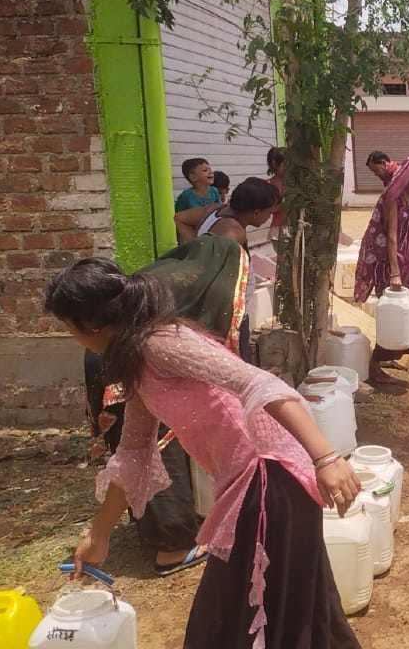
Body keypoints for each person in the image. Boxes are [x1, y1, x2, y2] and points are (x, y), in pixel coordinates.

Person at [47, 258, 362, 648]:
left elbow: (258, 382)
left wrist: (327, 458)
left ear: (89, 323)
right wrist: (99, 535)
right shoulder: (139, 363)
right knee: (300, 611)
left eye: (67, 326)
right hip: (252, 486)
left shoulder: (160, 343)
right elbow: (132, 452)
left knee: (228, 624)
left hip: (270, 483)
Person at [82, 235, 249, 578]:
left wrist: (99, 534)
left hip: (107, 363)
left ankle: (156, 533)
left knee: (138, 446)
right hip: (120, 363)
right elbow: (247, 375)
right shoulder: (161, 343)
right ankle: (171, 545)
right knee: (163, 446)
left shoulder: (151, 290)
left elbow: (130, 450)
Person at [353, 154, 409, 392]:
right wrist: (394, 274)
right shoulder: (393, 199)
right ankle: (374, 364)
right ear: (407, 175)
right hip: (392, 269)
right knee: (398, 321)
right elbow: (391, 238)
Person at [174, 177, 282, 362]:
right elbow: (208, 272)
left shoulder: (214, 210)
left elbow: (180, 218)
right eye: (268, 213)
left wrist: (196, 243)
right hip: (228, 314)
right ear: (256, 213)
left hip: (226, 310)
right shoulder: (232, 233)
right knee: (237, 363)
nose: (268, 218)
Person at [266, 146, 286, 237]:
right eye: (286, 164)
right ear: (274, 164)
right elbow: (270, 208)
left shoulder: (296, 184)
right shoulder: (268, 185)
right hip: (278, 228)